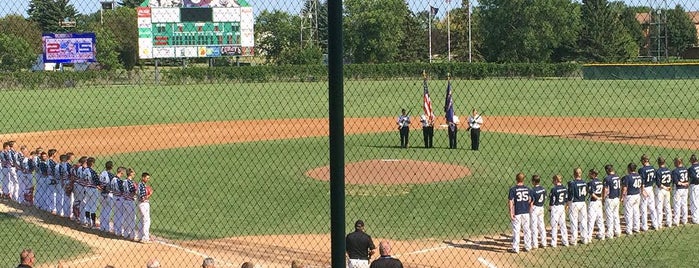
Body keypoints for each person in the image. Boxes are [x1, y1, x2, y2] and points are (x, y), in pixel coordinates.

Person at [508, 172, 532, 253]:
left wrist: (511, 212)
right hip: (526, 212)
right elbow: (530, 200)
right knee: (527, 229)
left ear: (516, 179)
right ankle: (528, 246)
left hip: (517, 212)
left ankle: (515, 248)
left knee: (516, 230)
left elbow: (510, 202)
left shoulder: (513, 189)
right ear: (523, 179)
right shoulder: (528, 189)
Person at [567, 167, 588, 245]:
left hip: (574, 203)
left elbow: (570, 195)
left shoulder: (572, 183)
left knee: (573, 222)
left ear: (574, 174)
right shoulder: (584, 182)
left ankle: (574, 240)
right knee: (583, 221)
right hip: (582, 203)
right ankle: (584, 239)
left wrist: (568, 205)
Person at [638, 154, 658, 230]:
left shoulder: (642, 170)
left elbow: (642, 181)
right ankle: (655, 224)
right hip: (651, 188)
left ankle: (644, 226)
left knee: (643, 208)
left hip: (645, 188)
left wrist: (642, 190)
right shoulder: (653, 168)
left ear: (643, 160)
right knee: (652, 207)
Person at [622, 162, 643, 235]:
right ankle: (636, 228)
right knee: (636, 212)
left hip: (630, 196)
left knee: (628, 213)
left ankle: (629, 230)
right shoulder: (639, 176)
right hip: (637, 195)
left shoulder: (627, 177)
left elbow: (625, 188)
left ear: (629, 169)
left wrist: (622, 197)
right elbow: (641, 186)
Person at [549, 174, 569, 247]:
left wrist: (550, 209)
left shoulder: (553, 189)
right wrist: (565, 208)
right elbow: (567, 200)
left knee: (554, 226)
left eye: (553, 180)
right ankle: (565, 241)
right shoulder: (564, 188)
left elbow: (552, 201)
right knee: (563, 225)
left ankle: (554, 243)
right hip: (562, 207)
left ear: (556, 180)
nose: (552, 182)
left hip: (555, 208)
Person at [603, 164, 622, 238]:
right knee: (616, 215)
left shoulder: (607, 178)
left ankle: (610, 233)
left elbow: (605, 189)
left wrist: (603, 198)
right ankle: (617, 231)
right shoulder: (617, 177)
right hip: (616, 198)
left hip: (610, 199)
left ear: (607, 170)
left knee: (609, 216)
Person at [586, 169, 605, 241]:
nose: (589, 175)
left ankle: (589, 237)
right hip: (599, 202)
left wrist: (597, 198)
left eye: (590, 173)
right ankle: (602, 235)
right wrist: (600, 198)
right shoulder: (600, 181)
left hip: (593, 202)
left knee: (591, 219)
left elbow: (591, 193)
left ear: (593, 174)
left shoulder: (591, 182)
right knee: (600, 218)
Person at [655, 157, 673, 228]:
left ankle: (659, 223)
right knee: (667, 206)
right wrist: (667, 187)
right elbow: (671, 180)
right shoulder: (669, 170)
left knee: (659, 207)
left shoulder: (658, 171)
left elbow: (658, 184)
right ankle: (669, 222)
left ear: (658, 163)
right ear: (664, 162)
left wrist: (664, 187)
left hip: (660, 190)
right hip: (667, 190)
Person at [529, 175, 546, 249]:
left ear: (533, 181)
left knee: (534, 226)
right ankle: (544, 243)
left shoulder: (532, 190)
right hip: (541, 207)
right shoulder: (543, 189)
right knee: (541, 225)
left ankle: (535, 244)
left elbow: (531, 201)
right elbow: (545, 198)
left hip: (535, 208)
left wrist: (529, 209)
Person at [672, 157, 689, 225]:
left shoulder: (675, 171)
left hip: (678, 189)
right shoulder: (686, 169)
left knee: (677, 205)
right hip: (685, 189)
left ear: (678, 162)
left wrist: (682, 183)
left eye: (675, 162)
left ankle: (676, 221)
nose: (674, 163)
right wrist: (685, 184)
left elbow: (676, 182)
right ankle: (684, 220)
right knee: (684, 204)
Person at [99, 161, 116, 232]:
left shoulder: (102, 174)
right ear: (111, 167)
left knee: (103, 210)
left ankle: (102, 227)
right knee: (108, 211)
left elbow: (99, 183)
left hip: (102, 194)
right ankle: (106, 228)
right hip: (109, 194)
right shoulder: (112, 176)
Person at [138, 172, 153, 243]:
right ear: (143, 177)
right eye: (147, 178)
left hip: (141, 204)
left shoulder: (140, 185)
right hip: (144, 204)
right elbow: (143, 198)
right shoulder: (142, 185)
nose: (148, 179)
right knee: (147, 220)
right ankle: (145, 238)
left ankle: (141, 236)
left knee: (141, 220)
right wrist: (150, 194)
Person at [123, 168, 138, 241]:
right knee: (132, 218)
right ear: (130, 173)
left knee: (126, 218)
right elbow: (133, 191)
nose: (134, 174)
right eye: (133, 173)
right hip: (130, 201)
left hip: (124, 201)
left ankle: (126, 234)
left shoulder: (124, 181)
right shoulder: (131, 182)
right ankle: (132, 235)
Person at [687, 154, 699, 224]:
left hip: (695, 186)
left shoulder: (691, 168)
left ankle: (695, 219)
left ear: (691, 160)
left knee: (694, 202)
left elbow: (694, 178)